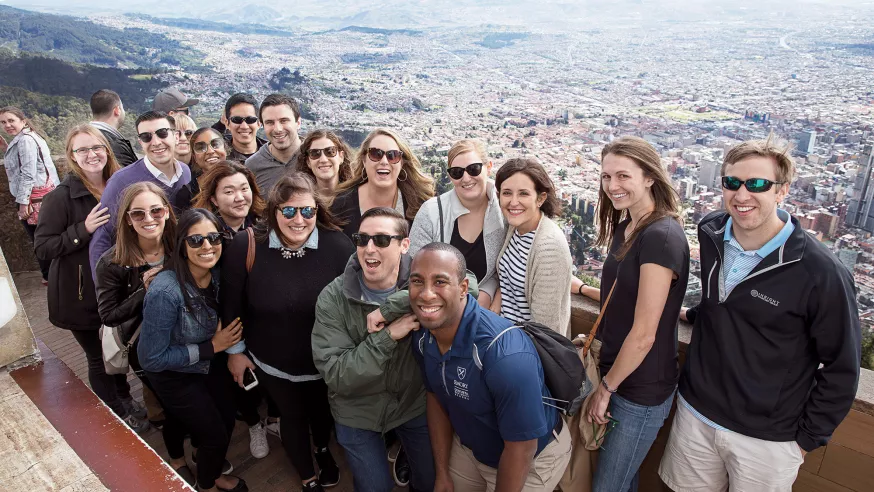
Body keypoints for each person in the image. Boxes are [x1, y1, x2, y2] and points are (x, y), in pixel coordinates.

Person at [659, 138, 861, 492]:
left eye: (757, 184)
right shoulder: (711, 232)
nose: (742, 195)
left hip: (766, 440)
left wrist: (804, 439)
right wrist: (697, 313)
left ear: (782, 191)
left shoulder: (821, 272)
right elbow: (724, 300)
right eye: (732, 182)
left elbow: (842, 365)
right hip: (696, 413)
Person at [221, 173, 353, 491]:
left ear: (317, 211)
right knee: (292, 417)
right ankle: (307, 477)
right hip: (273, 362)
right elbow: (230, 303)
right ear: (273, 212)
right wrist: (235, 354)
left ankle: (322, 451)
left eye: (307, 211)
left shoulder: (336, 245)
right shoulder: (248, 245)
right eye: (288, 211)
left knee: (323, 414)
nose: (298, 219)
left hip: (325, 362)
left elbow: (354, 303)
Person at [409, 242, 571, 492]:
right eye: (417, 281)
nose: (427, 293)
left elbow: (522, 446)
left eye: (440, 282)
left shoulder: (504, 354)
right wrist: (441, 473)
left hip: (531, 458)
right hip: (472, 447)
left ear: (463, 288)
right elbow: (436, 397)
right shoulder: (423, 337)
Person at [578, 136, 689, 492]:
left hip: (640, 388)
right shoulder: (628, 227)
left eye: (623, 176)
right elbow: (624, 297)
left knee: (609, 486)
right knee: (619, 481)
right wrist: (580, 289)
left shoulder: (661, 236)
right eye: (607, 176)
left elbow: (644, 333)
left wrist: (606, 390)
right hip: (619, 372)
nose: (613, 185)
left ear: (650, 178)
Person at [32, 125, 149, 432]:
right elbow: (43, 247)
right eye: (82, 150)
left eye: (96, 147)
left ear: (106, 150)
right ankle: (116, 414)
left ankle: (124, 397)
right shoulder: (61, 198)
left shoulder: (121, 186)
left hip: (117, 288)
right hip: (80, 295)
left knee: (118, 348)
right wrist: (82, 230)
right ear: (71, 156)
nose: (91, 154)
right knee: (99, 358)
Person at [312, 207, 436, 492]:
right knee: (374, 487)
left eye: (381, 240)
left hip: (410, 402)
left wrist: (394, 305)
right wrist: (389, 335)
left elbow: (466, 284)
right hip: (357, 410)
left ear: (405, 245)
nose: (369, 249)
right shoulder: (334, 297)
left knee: (429, 481)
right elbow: (337, 374)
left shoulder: (421, 273)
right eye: (362, 239)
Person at [139, 208, 247, 492]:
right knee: (212, 433)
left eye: (213, 237)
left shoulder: (220, 274)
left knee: (223, 422)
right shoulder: (165, 291)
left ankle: (208, 472)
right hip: (172, 372)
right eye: (196, 240)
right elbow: (150, 358)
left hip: (209, 363)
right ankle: (206, 484)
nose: (207, 246)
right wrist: (212, 346)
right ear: (181, 246)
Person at [94, 182, 195, 480]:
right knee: (172, 406)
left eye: (155, 210)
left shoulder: (183, 245)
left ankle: (201, 444)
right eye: (138, 214)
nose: (148, 219)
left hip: (189, 334)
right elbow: (109, 315)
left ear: (167, 212)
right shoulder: (112, 262)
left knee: (196, 397)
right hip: (147, 346)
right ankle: (177, 461)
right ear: (127, 219)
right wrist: (144, 290)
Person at [88, 111, 192, 279]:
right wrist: (103, 291)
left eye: (162, 133)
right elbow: (103, 236)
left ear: (176, 136)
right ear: (140, 142)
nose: (156, 142)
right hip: (134, 274)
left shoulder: (185, 173)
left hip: (174, 269)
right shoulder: (121, 181)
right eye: (146, 137)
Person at [408, 139, 506, 308]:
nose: (466, 178)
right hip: (436, 309)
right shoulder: (431, 213)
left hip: (483, 313)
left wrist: (487, 293)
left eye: (473, 169)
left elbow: (506, 266)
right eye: (457, 172)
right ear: (450, 176)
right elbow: (413, 270)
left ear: (488, 167)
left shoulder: (504, 212)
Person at [491, 158, 572, 336]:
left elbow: (545, 329)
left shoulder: (549, 247)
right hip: (501, 334)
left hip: (524, 349)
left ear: (540, 198)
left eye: (523, 194)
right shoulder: (514, 227)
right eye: (506, 193)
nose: (513, 202)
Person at [332, 128, 434, 239]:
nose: (384, 161)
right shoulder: (340, 206)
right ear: (364, 160)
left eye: (393, 155)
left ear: (402, 163)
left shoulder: (419, 205)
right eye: (376, 154)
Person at [1, 106, 60, 283]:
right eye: (3, 122)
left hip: (34, 198)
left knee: (39, 239)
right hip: (40, 196)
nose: (7, 125)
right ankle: (52, 275)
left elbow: (28, 172)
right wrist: (6, 148)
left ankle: (50, 276)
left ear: (23, 120)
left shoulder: (25, 140)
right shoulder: (26, 138)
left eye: (11, 120)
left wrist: (23, 202)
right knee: (44, 236)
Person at [245, 94, 302, 194]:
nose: (277, 129)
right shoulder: (253, 166)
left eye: (284, 121)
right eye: (270, 122)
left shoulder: (315, 156)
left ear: (298, 122)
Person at [193, 162, 264, 235]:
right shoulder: (204, 233)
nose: (240, 198)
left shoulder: (265, 225)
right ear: (214, 199)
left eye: (244, 189)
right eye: (229, 192)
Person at [294, 129, 353, 195]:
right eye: (315, 153)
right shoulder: (300, 200)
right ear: (308, 162)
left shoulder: (357, 195)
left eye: (330, 152)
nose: (323, 160)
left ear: (341, 157)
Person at [90, 89, 137, 167]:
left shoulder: (83, 137)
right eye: (122, 108)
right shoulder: (114, 145)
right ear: (117, 110)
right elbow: (129, 176)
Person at [224, 93, 267, 165]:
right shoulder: (221, 157)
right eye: (236, 119)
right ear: (227, 124)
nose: (244, 126)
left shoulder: (273, 153)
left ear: (259, 123)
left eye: (250, 119)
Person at [188, 127, 229, 200]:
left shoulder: (243, 179)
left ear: (225, 149)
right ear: (194, 157)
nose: (210, 151)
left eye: (215, 144)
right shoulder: (187, 193)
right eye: (201, 148)